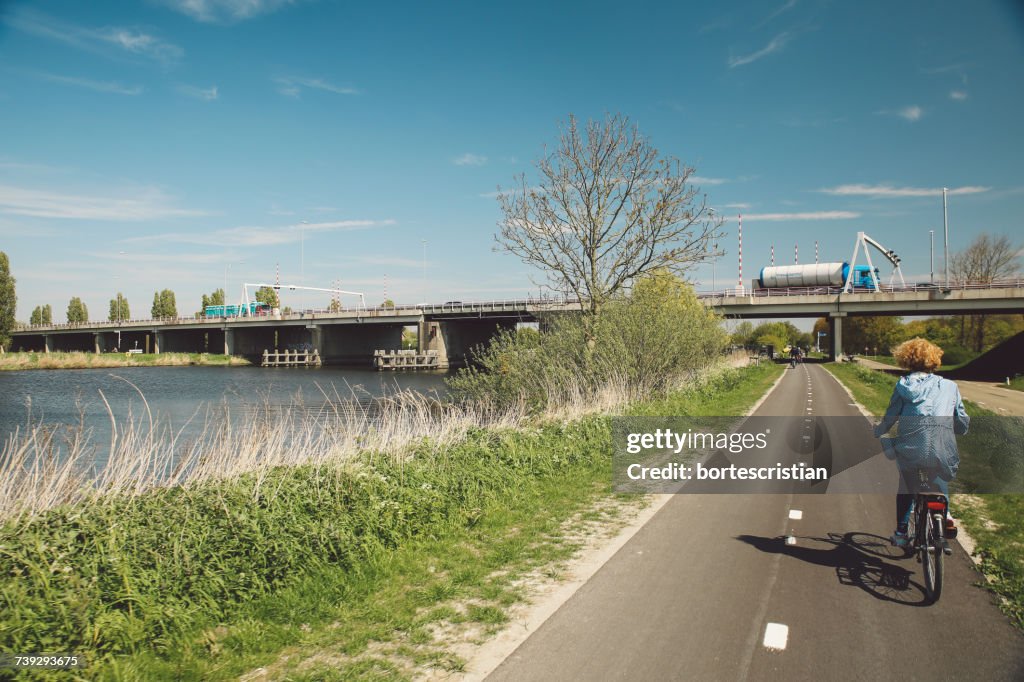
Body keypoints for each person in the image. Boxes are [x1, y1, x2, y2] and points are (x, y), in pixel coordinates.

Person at [873, 338, 969, 548]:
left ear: (906, 359)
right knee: (939, 472)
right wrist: (961, 429)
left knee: (906, 485)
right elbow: (961, 419)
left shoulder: (903, 386)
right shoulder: (950, 386)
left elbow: (891, 417)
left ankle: (900, 532)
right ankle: (946, 514)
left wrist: (878, 431)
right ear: (935, 359)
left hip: (912, 447)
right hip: (943, 448)